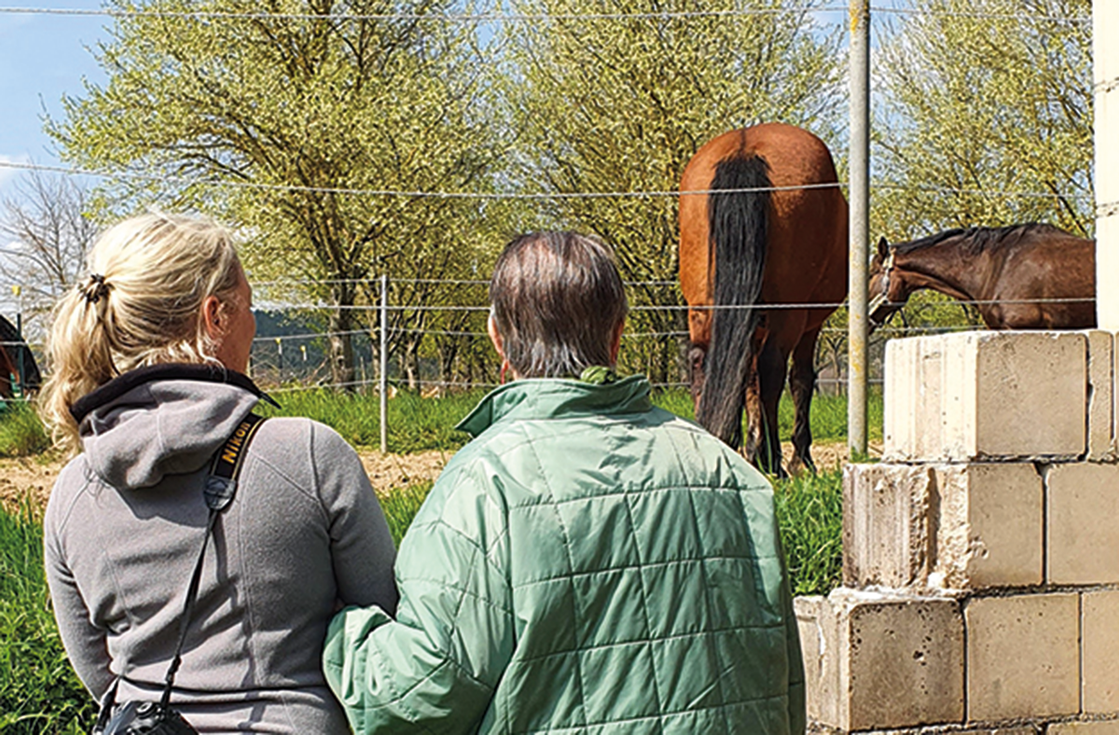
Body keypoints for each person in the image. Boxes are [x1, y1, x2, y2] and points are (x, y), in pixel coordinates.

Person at [324, 231, 805, 734]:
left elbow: (418, 697)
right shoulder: (727, 471)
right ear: (617, 336)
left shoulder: (487, 481)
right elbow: (784, 679)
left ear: (497, 339)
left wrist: (344, 634)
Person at [39, 212, 398, 733]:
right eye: (248, 306)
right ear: (216, 316)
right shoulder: (308, 454)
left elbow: (102, 677)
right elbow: (383, 623)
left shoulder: (74, 490)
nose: (253, 323)